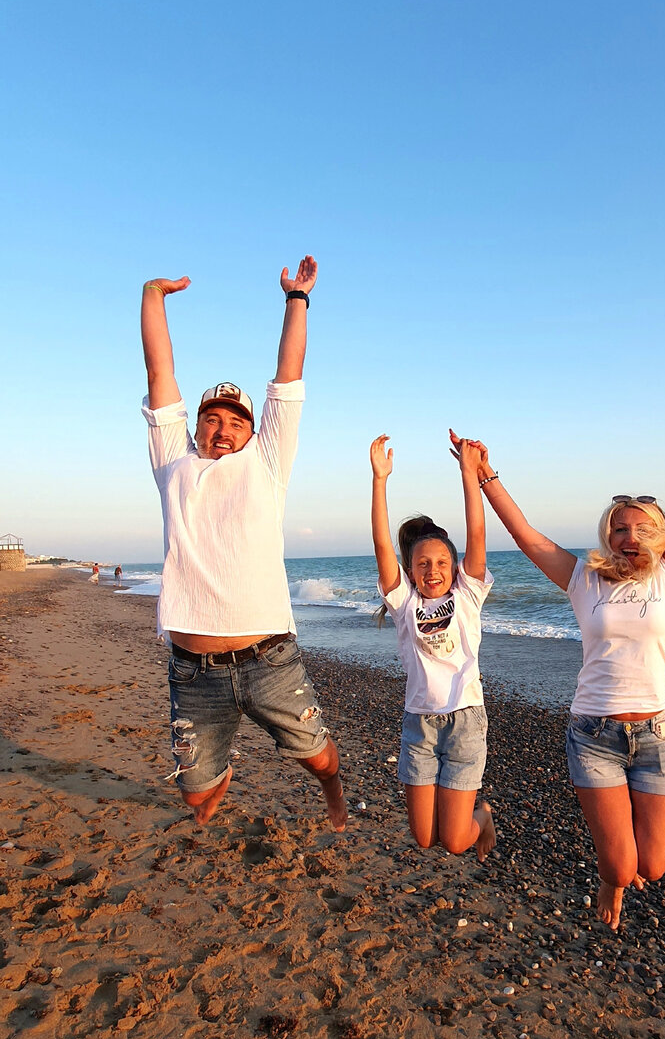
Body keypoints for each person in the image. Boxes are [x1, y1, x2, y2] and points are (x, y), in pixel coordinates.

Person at [457, 400, 665, 929]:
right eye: (621, 529)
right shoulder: (584, 578)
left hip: (659, 735)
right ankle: (610, 876)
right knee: (622, 868)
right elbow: (528, 537)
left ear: (660, 536)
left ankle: (618, 871)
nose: (630, 537)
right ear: (610, 535)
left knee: (654, 865)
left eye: (642, 529)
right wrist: (486, 475)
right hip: (593, 734)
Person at [140, 258, 346, 830]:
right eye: (212, 418)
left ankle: (333, 788)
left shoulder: (267, 465)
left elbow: (288, 372)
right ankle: (220, 766)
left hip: (269, 661)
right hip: (193, 670)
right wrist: (154, 295)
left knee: (318, 757)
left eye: (236, 421)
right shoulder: (173, 466)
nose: (223, 428)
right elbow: (160, 375)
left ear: (253, 432)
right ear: (196, 428)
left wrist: (297, 299)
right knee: (194, 801)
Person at [369, 432, 497, 861]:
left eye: (442, 562)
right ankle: (467, 818)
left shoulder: (467, 595)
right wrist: (380, 479)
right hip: (419, 727)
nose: (433, 570)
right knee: (425, 838)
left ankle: (484, 819)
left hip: (465, 723)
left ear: (456, 567)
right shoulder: (404, 603)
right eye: (422, 564)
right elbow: (382, 546)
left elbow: (477, 531)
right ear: (410, 570)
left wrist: (469, 473)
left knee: (456, 840)